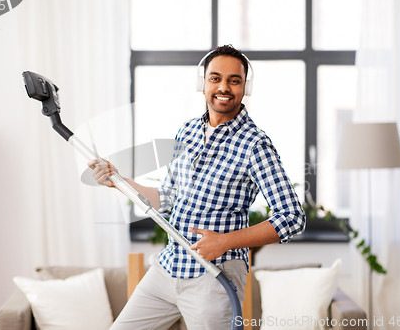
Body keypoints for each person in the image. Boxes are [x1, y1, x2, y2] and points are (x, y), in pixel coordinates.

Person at [88, 45, 306, 330]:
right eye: (215, 78)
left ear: (245, 88)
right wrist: (119, 180)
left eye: (234, 80)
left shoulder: (256, 145)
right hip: (168, 266)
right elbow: (168, 198)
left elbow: (292, 217)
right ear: (202, 83)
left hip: (214, 278)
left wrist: (224, 241)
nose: (223, 87)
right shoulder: (187, 131)